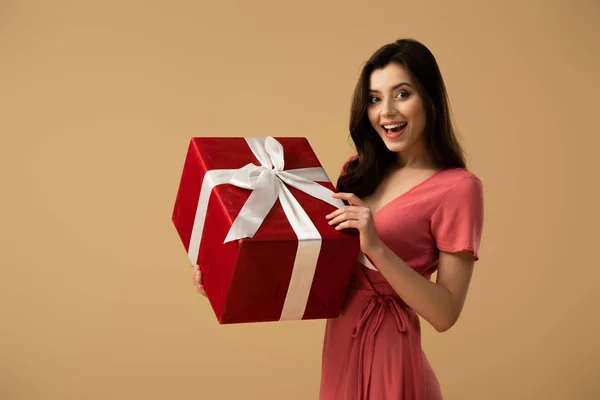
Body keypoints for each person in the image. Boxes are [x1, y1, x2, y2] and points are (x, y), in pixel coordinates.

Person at [193, 38, 484, 400]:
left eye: (402, 94)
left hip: (393, 356)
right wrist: (227, 274)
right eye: (375, 98)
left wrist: (376, 246)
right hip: (341, 345)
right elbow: (321, 270)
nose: (386, 111)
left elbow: (445, 313)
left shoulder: (459, 188)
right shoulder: (357, 171)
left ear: (429, 98)